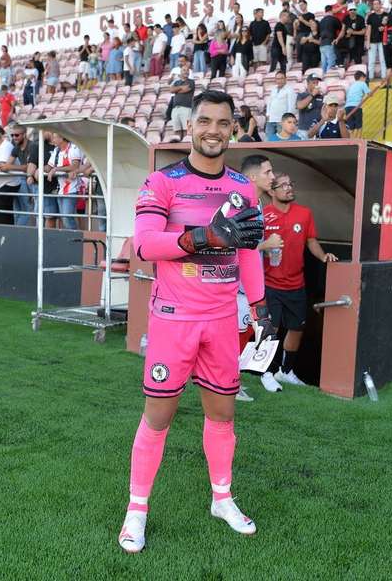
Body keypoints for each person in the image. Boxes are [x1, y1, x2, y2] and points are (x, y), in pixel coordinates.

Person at [118, 90, 270, 553]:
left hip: (223, 320)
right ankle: (136, 511)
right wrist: (204, 235)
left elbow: (247, 252)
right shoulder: (162, 183)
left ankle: (221, 499)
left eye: (223, 123)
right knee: (158, 416)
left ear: (233, 130)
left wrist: (261, 307)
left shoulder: (244, 189)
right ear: (190, 126)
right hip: (173, 320)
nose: (213, 130)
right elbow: (144, 245)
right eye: (205, 121)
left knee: (223, 414)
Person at [260, 172, 338, 389]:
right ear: (271, 191)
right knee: (271, 329)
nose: (289, 188)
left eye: (290, 184)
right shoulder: (263, 215)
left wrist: (323, 256)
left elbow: (311, 241)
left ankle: (286, 371)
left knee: (296, 328)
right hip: (270, 283)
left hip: (296, 284)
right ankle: (267, 372)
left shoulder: (304, 213)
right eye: (283, 185)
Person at [46, 134, 84, 230]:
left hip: (72, 188)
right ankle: (72, 239)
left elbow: (75, 166)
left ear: (62, 138)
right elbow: (49, 167)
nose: (53, 139)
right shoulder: (56, 150)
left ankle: (76, 240)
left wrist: (56, 169)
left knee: (67, 218)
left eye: (55, 137)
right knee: (64, 218)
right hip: (60, 189)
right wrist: (38, 170)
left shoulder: (74, 148)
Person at [264, 71, 297, 138]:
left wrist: (287, 121)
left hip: (281, 121)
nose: (279, 80)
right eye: (277, 79)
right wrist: (268, 114)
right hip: (271, 119)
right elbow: (269, 102)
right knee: (269, 140)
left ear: (285, 79)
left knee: (281, 140)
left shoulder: (290, 90)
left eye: (281, 78)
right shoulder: (273, 89)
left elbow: (291, 107)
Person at [170, 66, 196, 142]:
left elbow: (186, 90)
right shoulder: (176, 82)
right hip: (175, 109)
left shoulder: (191, 81)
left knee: (186, 130)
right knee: (176, 130)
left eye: (187, 70)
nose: (186, 72)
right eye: (184, 70)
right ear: (180, 72)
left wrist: (176, 90)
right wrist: (181, 87)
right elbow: (171, 90)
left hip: (186, 108)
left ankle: (186, 145)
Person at [366, 0, 388, 80]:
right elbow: (368, 29)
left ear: (380, 4)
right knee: (371, 61)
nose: (376, 6)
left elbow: (389, 26)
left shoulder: (386, 14)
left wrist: (384, 27)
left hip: (383, 40)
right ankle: (371, 78)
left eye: (377, 4)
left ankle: (384, 78)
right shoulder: (371, 16)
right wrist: (367, 42)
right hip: (372, 41)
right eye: (374, 4)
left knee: (383, 60)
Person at [344, 71, 370, 138]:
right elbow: (369, 94)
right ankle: (358, 140)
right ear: (361, 77)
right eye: (364, 78)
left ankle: (351, 141)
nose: (365, 80)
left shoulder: (351, 85)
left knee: (350, 127)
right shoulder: (362, 83)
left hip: (347, 107)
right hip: (356, 106)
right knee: (359, 126)